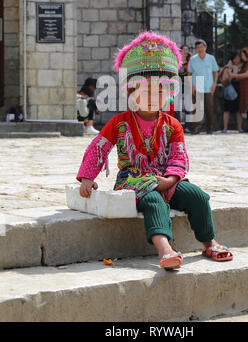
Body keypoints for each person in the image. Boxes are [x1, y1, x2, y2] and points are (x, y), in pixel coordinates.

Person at [76, 32, 233, 270]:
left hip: (166, 177)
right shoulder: (119, 122)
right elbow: (98, 148)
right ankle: (166, 250)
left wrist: (170, 179)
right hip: (133, 179)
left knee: (198, 196)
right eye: (145, 91)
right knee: (154, 201)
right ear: (131, 93)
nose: (152, 97)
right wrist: (87, 177)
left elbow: (178, 156)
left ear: (168, 94)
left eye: (160, 91)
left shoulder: (172, 125)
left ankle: (209, 242)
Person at [187, 40, 219, 134]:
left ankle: (210, 128)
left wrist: (214, 84)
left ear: (205, 47)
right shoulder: (193, 59)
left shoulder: (211, 58)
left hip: (209, 86)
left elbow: (215, 72)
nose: (200, 49)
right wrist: (191, 86)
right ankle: (196, 128)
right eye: (198, 47)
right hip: (197, 85)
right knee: (196, 109)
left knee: (209, 108)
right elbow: (189, 73)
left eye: (202, 47)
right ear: (196, 49)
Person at [219, 51, 243, 133]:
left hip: (239, 89)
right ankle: (225, 128)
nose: (237, 60)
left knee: (239, 110)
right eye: (235, 58)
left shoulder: (242, 67)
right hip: (228, 89)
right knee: (226, 110)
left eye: (238, 58)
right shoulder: (227, 67)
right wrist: (231, 69)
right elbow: (225, 79)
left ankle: (239, 128)